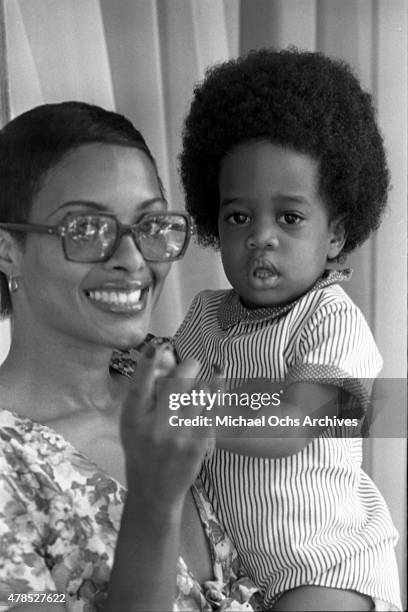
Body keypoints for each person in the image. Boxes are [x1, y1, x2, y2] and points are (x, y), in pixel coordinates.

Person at [0, 102, 261, 611]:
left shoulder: (161, 370)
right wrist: (154, 500)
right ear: (7, 248)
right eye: (86, 229)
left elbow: (328, 416)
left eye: (151, 225)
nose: (134, 260)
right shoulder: (11, 468)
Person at [171, 49, 402, 610]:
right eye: (238, 216)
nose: (260, 237)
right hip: (244, 575)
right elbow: (172, 389)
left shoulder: (331, 318)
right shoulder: (205, 316)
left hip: (328, 564)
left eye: (290, 218)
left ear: (335, 235)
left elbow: (292, 425)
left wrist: (186, 416)